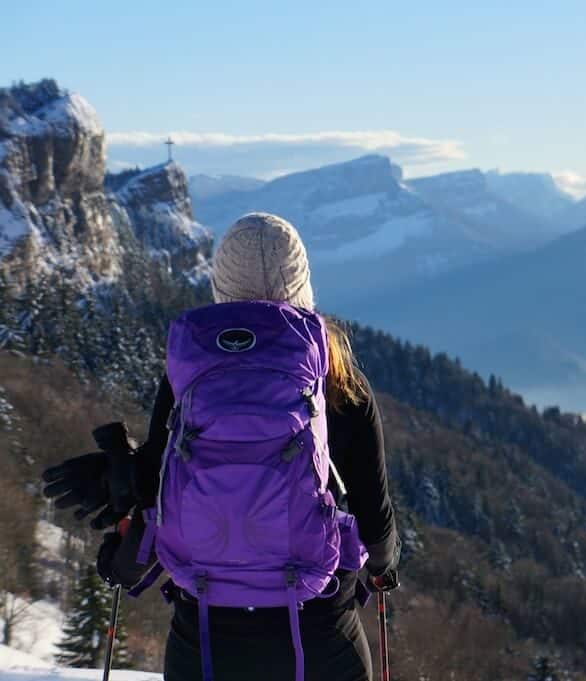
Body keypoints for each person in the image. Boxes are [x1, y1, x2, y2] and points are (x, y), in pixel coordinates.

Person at [42, 213, 399, 681]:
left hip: (206, 636)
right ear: (303, 286)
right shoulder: (341, 383)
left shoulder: (189, 379)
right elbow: (376, 524)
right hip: (319, 637)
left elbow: (154, 495)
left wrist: (118, 486)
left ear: (220, 288)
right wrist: (382, 567)